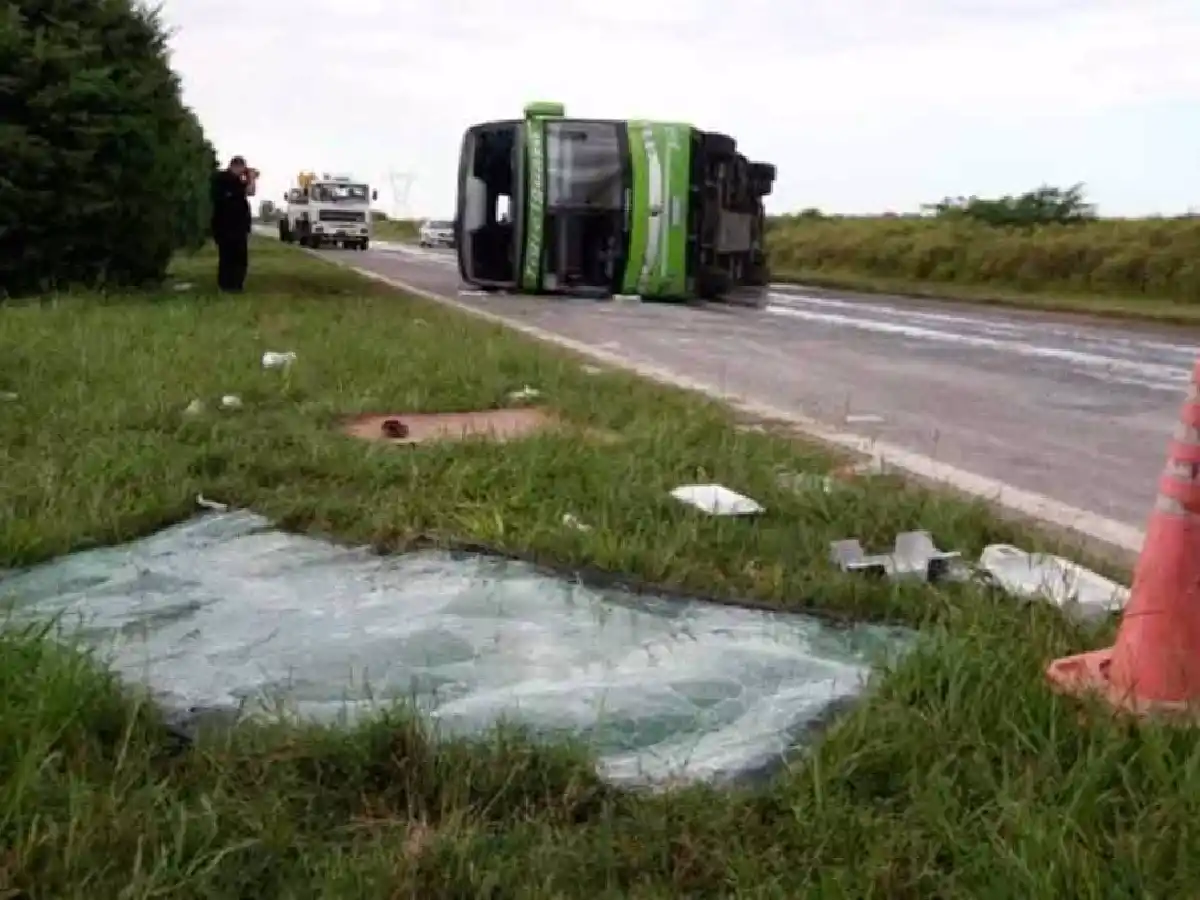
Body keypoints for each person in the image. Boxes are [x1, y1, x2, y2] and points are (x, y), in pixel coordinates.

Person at [210, 156, 252, 292]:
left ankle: (235, 284)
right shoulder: (224, 179)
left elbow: (251, 191)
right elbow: (244, 191)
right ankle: (228, 284)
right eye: (241, 169)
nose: (242, 172)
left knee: (238, 257)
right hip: (227, 225)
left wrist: (251, 179)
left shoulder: (237, 181)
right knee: (229, 257)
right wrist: (249, 178)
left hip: (237, 226)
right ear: (236, 166)